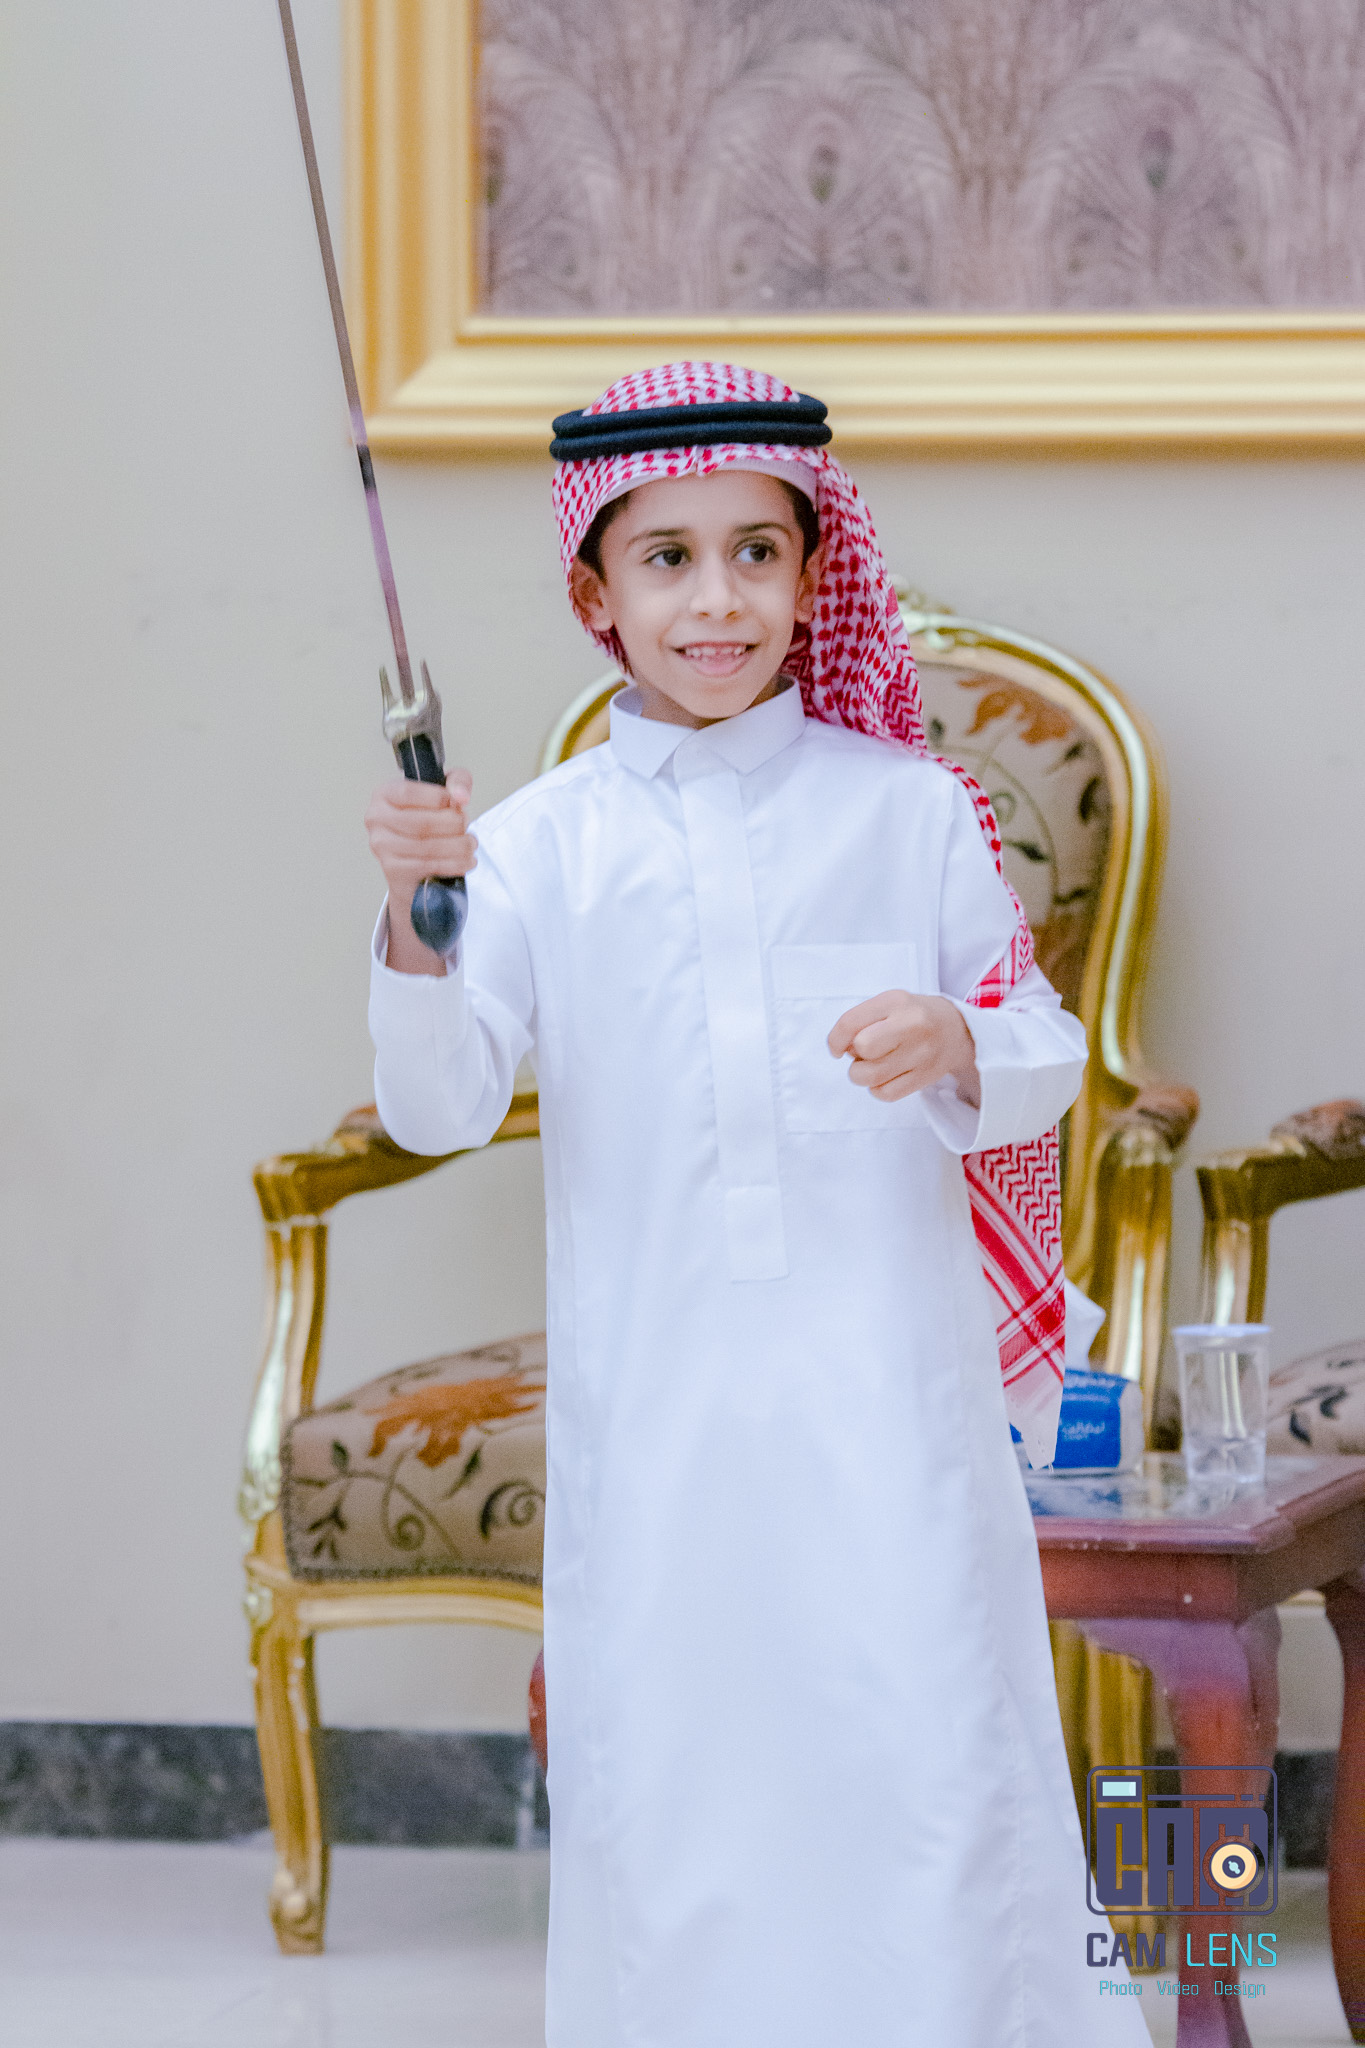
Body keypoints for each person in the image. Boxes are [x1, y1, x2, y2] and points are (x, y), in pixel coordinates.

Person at [364, 363, 1148, 2046]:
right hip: (661, 1406)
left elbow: (1041, 1053)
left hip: (888, 1394)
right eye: (666, 560)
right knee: (686, 1769)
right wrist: (420, 923)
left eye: (755, 554)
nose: (714, 599)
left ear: (811, 574)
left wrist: (956, 1038)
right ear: (596, 594)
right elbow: (437, 1106)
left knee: (921, 1739)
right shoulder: (537, 846)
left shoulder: (910, 810)